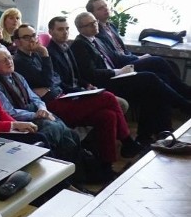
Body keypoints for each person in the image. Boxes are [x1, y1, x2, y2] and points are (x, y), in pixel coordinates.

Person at [13, 23, 143, 165]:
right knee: (108, 97)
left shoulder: (36, 55)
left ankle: (106, 165)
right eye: (26, 37)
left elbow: (56, 79)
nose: (32, 40)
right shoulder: (20, 61)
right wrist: (45, 54)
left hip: (61, 96)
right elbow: (47, 80)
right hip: (50, 105)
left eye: (33, 35)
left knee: (107, 116)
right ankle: (127, 142)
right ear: (18, 41)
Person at [70, 12, 191, 143]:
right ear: (80, 29)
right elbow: (91, 74)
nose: (95, 25)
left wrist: (133, 62)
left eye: (95, 22)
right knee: (150, 77)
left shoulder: (97, 39)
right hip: (105, 82)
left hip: (118, 75)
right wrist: (118, 72)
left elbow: (115, 57)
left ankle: (149, 135)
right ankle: (184, 106)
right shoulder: (79, 45)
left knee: (157, 82)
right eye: (90, 24)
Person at [0, 48, 82, 162]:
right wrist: (35, 115)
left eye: (9, 57)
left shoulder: (17, 76)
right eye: (3, 60)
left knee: (70, 133)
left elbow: (34, 97)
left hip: (35, 114)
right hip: (20, 121)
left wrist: (42, 108)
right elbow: (8, 111)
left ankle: (76, 168)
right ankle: (62, 165)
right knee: (56, 129)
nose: (9, 61)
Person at [88, 0, 191, 98]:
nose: (105, 9)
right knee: (157, 60)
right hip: (121, 67)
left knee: (163, 77)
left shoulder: (111, 26)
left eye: (106, 6)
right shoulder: (96, 32)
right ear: (92, 14)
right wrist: (137, 58)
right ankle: (185, 91)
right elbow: (115, 57)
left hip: (128, 60)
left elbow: (124, 51)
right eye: (100, 8)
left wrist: (135, 56)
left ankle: (164, 112)